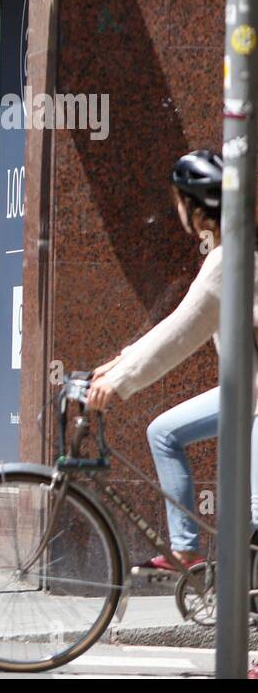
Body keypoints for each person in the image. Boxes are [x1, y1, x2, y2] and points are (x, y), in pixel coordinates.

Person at [86, 150, 258, 571]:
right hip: (247, 389)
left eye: (179, 202)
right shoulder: (233, 250)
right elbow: (178, 323)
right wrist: (119, 363)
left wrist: (121, 380)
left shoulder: (228, 259)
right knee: (164, 432)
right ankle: (185, 550)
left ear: (196, 208)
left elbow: (181, 334)